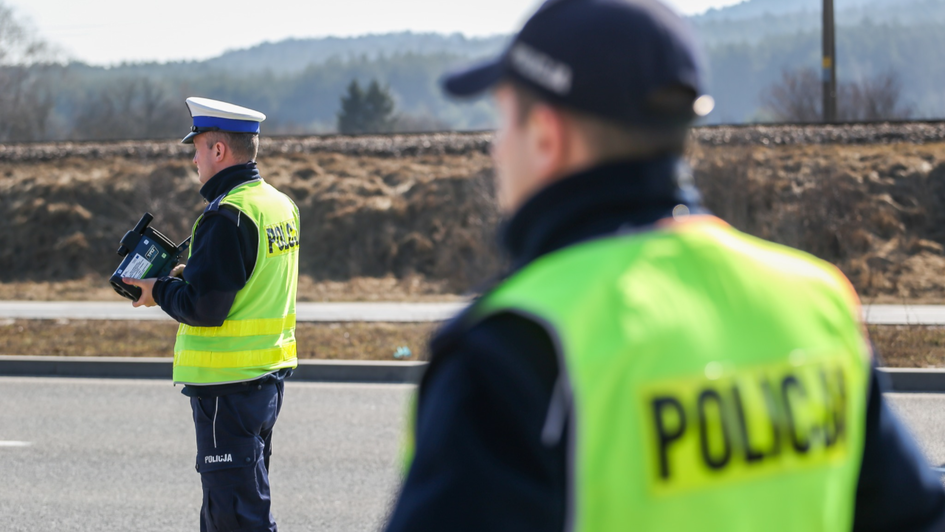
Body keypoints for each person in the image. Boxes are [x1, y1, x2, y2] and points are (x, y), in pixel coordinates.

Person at [384, 1, 945, 530]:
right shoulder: (815, 300)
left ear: (547, 135)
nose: (495, 148)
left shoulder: (517, 343)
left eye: (503, 120)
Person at [124, 97, 299, 532]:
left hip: (228, 389)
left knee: (236, 519)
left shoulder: (226, 215)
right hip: (265, 380)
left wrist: (158, 290)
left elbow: (205, 308)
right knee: (235, 507)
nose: (195, 160)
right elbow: (245, 280)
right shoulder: (278, 205)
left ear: (219, 151)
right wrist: (190, 274)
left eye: (197, 148)